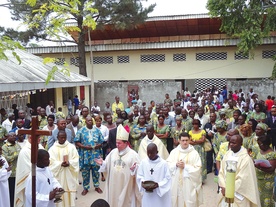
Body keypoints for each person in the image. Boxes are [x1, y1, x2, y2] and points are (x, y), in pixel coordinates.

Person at [95, 124, 141, 207]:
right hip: (113, 185)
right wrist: (103, 164)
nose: (117, 145)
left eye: (119, 143)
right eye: (116, 143)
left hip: (126, 187)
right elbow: (107, 165)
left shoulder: (133, 155)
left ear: (126, 143)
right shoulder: (113, 152)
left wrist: (135, 169)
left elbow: (139, 171)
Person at [217, 135, 261, 207]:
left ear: (241, 143)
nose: (231, 145)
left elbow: (244, 179)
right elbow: (221, 172)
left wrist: (229, 189)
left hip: (238, 194)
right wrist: (223, 186)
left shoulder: (246, 159)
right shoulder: (227, 154)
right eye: (230, 142)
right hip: (225, 191)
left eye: (234, 143)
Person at [167, 132, 203, 207]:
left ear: (189, 140)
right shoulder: (174, 152)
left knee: (188, 201)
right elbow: (167, 164)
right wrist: (175, 164)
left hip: (188, 183)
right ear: (179, 141)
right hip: (176, 182)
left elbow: (198, 168)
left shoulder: (194, 153)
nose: (185, 142)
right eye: (183, 140)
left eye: (186, 140)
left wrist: (185, 167)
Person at [74, 116, 104, 195]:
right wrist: (84, 147)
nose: (90, 121)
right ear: (85, 122)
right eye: (88, 120)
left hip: (95, 154)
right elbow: (76, 142)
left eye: (91, 120)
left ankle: (97, 186)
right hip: (85, 155)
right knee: (85, 172)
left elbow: (102, 141)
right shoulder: (81, 131)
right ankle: (86, 188)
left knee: (96, 171)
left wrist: (98, 145)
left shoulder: (97, 130)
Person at [48, 130, 79, 207]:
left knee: (69, 197)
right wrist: (60, 164)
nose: (63, 139)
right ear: (57, 137)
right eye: (61, 137)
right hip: (59, 177)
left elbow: (76, 159)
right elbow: (50, 163)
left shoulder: (71, 147)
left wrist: (70, 163)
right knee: (59, 196)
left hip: (69, 176)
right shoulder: (52, 149)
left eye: (64, 137)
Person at [137, 143, 172, 207]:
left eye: (152, 153)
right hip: (147, 195)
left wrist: (158, 185)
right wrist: (143, 182)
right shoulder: (143, 162)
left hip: (159, 196)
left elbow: (168, 179)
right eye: (148, 153)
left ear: (157, 152)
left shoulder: (163, 164)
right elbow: (139, 176)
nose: (149, 155)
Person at [14, 136, 44, 207]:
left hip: (41, 181)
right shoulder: (24, 151)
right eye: (37, 137)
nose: (40, 139)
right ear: (30, 138)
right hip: (28, 182)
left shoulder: (41, 147)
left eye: (40, 137)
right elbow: (27, 168)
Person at [254, 135, 276, 207]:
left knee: (266, 199)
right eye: (259, 144)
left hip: (267, 181)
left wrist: (259, 167)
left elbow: (271, 169)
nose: (260, 146)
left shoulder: (272, 154)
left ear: (266, 144)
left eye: (261, 144)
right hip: (258, 179)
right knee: (259, 198)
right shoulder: (260, 151)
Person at [2, 132, 21, 207]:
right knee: (11, 192)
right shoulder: (5, 147)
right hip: (10, 173)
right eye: (11, 136)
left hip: (18, 172)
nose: (14, 137)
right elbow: (6, 158)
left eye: (14, 136)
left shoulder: (17, 145)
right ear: (7, 137)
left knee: (16, 192)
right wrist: (17, 154)